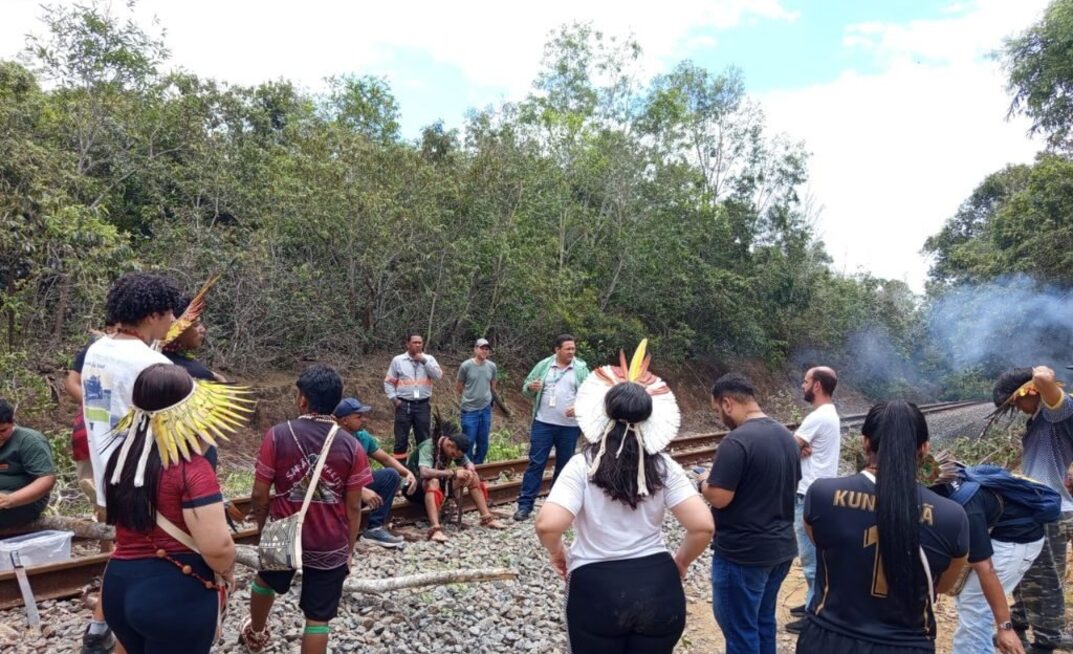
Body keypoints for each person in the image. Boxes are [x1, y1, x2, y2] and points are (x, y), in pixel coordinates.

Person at [535, 342, 714, 653]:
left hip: (596, 590)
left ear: (603, 413)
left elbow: (548, 525)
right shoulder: (663, 465)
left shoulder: (583, 464)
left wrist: (559, 553)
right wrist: (681, 562)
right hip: (660, 587)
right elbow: (703, 527)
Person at [797, 401, 970, 654]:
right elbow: (942, 586)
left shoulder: (822, 495)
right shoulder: (952, 516)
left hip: (828, 640)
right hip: (905, 646)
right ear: (924, 449)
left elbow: (820, 543)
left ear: (865, 442)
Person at [100, 364, 244, 654]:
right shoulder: (191, 469)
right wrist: (227, 573)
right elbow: (217, 547)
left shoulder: (123, 458)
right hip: (173, 595)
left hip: (117, 588)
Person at [243, 365, 372, 654]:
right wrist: (347, 550)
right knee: (318, 619)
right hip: (329, 541)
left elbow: (259, 495)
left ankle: (257, 632)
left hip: (283, 531)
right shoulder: (351, 446)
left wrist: (264, 531)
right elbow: (353, 506)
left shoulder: (277, 435)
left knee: (265, 579)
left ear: (303, 400)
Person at [81, 272, 178, 654]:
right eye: (170, 313)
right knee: (151, 558)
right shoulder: (149, 362)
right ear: (153, 314)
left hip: (108, 474)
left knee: (123, 550)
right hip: (144, 480)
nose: (174, 322)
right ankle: (132, 634)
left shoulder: (96, 351)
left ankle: (101, 628)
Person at [700, 373, 799, 654]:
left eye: (717, 410)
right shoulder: (786, 437)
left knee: (740, 630)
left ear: (727, 402)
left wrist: (702, 483)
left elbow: (719, 498)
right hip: (780, 549)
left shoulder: (737, 441)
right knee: (762, 622)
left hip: (744, 554)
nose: (720, 417)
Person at [993, 366, 1073, 652]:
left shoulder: (1058, 412)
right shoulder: (1039, 419)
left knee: (1046, 577)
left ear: (1030, 391)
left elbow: (1043, 379)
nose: (1016, 406)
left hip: (1051, 508)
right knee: (1027, 570)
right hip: (1036, 507)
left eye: (1016, 399)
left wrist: (1035, 373)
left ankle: (1047, 639)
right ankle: (1020, 622)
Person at [930, 467, 1047, 654]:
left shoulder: (966, 508)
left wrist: (1005, 627)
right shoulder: (939, 489)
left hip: (1018, 539)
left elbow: (985, 568)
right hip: (998, 525)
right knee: (970, 602)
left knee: (974, 605)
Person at [787, 366, 841, 634]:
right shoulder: (828, 414)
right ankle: (813, 600)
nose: (802, 385)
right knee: (814, 555)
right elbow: (795, 446)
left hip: (808, 493)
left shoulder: (819, 416)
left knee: (811, 559)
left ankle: (814, 613)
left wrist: (795, 445)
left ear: (817, 385)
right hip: (819, 491)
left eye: (806, 381)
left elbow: (785, 448)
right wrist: (798, 446)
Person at [514, 334, 590, 521]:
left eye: (573, 349)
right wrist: (531, 387)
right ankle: (525, 506)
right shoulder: (543, 366)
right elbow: (526, 387)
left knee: (564, 467)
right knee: (536, 463)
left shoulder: (580, 368)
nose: (572, 352)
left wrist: (579, 407)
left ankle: (557, 506)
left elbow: (591, 394)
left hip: (569, 427)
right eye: (568, 349)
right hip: (543, 423)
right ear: (557, 350)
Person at [333, 396, 418, 548]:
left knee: (390, 475)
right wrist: (360, 490)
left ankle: (374, 529)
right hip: (336, 496)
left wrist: (407, 473)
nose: (363, 420)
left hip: (356, 491)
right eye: (358, 417)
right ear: (344, 420)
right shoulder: (332, 441)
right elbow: (331, 476)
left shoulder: (362, 436)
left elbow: (385, 458)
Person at [402, 418, 506, 542]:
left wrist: (469, 470)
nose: (455, 458)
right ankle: (435, 529)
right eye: (454, 455)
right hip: (414, 487)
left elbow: (468, 464)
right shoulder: (428, 446)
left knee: (473, 478)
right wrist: (453, 472)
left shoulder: (453, 449)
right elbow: (424, 472)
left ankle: (486, 518)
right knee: (433, 481)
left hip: (436, 484)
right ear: (450, 445)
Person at [383, 333, 443, 461]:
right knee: (400, 440)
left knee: (424, 440)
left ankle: (423, 470)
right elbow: (388, 382)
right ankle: (401, 471)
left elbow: (438, 376)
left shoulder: (429, 359)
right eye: (415, 342)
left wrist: (424, 361)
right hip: (404, 405)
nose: (418, 345)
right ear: (408, 344)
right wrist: (394, 399)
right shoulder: (398, 360)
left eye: (420, 343)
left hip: (422, 405)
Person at [0, 400, 56, 528]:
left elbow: (46, 479)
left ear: (12, 423)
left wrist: (11, 500)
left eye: (3, 431)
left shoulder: (29, 440)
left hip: (23, 501)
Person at [162, 294, 227, 383]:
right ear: (179, 328)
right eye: (196, 325)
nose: (203, 330)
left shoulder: (151, 352)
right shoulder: (197, 373)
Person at [455, 338, 497, 464]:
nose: (484, 351)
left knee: (483, 440)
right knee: (468, 441)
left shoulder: (492, 366)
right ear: (475, 349)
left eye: (486, 349)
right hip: (469, 410)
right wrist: (470, 397)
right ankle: (468, 466)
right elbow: (459, 386)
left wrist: (488, 398)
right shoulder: (466, 366)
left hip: (485, 409)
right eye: (481, 348)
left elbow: (493, 384)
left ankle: (479, 466)